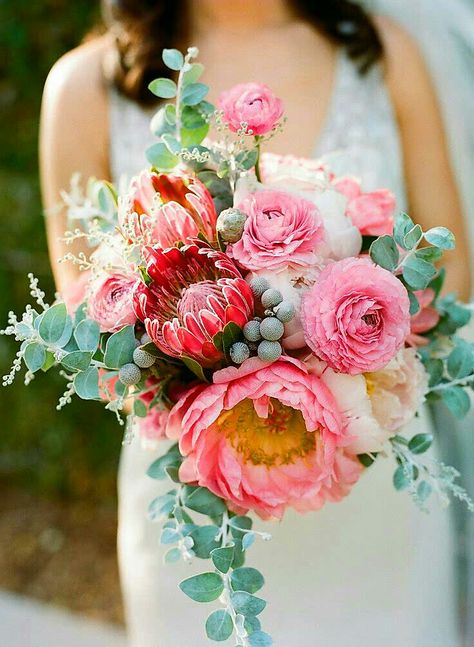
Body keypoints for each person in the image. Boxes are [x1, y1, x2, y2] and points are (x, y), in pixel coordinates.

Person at [39, 1, 471, 645]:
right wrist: (221, 359)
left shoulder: (383, 53)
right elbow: (87, 307)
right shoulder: (83, 87)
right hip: (197, 504)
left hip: (378, 502)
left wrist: (334, 339)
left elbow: (452, 271)